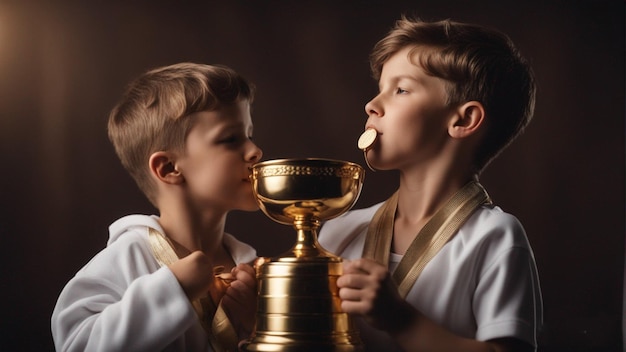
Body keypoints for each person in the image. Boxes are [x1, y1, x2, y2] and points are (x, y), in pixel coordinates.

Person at [318, 16, 543, 352]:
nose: (371, 105)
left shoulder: (495, 237)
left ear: (463, 120)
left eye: (401, 89)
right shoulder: (339, 230)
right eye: (380, 89)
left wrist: (402, 320)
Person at [51, 62, 263, 351]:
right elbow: (77, 345)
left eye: (249, 135)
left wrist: (254, 329)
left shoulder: (252, 269)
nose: (255, 151)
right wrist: (173, 289)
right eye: (230, 139)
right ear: (168, 167)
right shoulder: (127, 257)